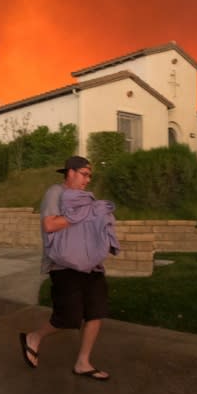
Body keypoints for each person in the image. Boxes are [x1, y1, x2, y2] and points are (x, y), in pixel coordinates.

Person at [19, 155, 116, 381]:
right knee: (69, 317)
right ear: (70, 172)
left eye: (90, 175)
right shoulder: (55, 193)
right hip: (63, 265)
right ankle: (34, 337)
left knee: (96, 312)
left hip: (90, 265)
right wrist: (84, 213)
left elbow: (89, 225)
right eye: (84, 174)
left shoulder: (85, 198)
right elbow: (50, 224)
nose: (88, 179)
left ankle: (83, 362)